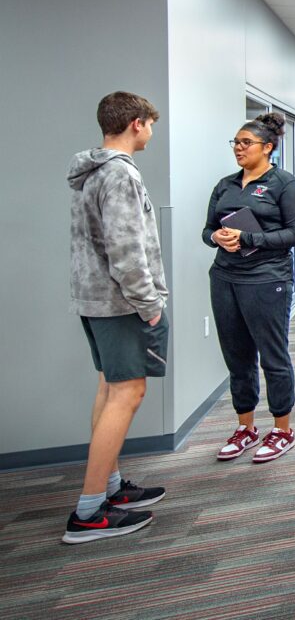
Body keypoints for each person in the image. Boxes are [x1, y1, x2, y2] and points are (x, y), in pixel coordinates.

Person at [62, 92, 169, 544]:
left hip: (95, 300)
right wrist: (150, 303)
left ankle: (108, 487)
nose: (150, 133)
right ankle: (89, 512)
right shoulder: (120, 175)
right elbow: (126, 252)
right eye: (150, 125)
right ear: (137, 124)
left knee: (109, 389)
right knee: (128, 393)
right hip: (121, 303)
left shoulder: (91, 172)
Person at [204, 112, 295, 464]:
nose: (238, 148)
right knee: (238, 357)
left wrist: (249, 237)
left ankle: (282, 429)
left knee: (273, 357)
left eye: (245, 142)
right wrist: (217, 237)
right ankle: (245, 427)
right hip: (225, 278)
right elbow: (207, 231)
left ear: (267, 147)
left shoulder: (284, 184)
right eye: (235, 142)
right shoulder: (225, 185)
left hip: (267, 279)